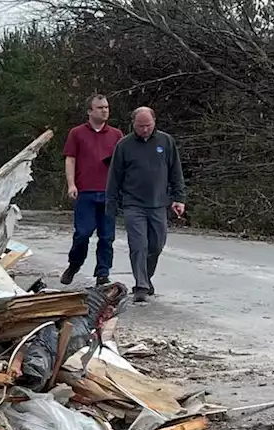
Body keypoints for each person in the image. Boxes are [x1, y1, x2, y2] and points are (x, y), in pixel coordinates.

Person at [105, 107, 186, 304]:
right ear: (133, 124)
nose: (145, 130)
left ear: (154, 122)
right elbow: (114, 177)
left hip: (159, 203)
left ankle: (147, 277)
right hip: (133, 204)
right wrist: (111, 203)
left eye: (148, 125)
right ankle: (140, 285)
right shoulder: (124, 145)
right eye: (140, 126)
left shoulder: (166, 142)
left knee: (156, 245)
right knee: (138, 245)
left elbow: (176, 171)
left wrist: (179, 198)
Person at [61, 94, 123, 286]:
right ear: (89, 111)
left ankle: (102, 274)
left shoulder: (116, 135)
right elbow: (70, 159)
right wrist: (71, 184)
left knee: (106, 237)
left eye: (106, 107)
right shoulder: (77, 133)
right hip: (85, 191)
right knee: (83, 233)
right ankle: (74, 264)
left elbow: (123, 163)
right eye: (99, 107)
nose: (104, 110)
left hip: (108, 193)